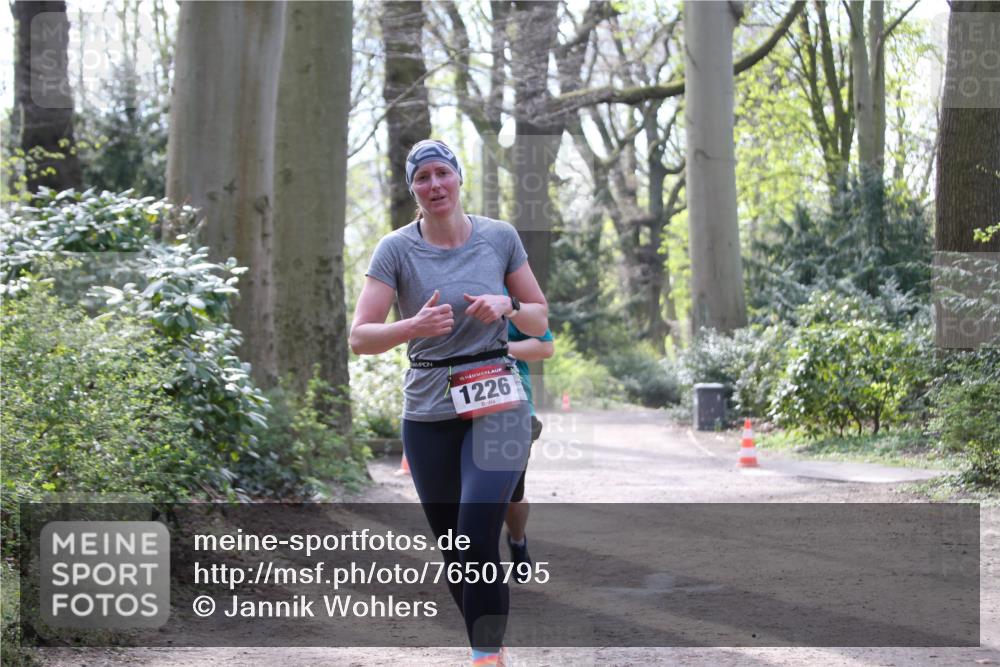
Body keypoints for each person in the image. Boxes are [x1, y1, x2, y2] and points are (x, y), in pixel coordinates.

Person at [349, 139, 548, 667]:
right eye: (422, 178)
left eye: (442, 173)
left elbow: (539, 319)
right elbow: (360, 336)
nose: (434, 185)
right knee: (457, 551)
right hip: (429, 410)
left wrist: (509, 304)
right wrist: (410, 327)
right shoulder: (395, 249)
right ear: (412, 189)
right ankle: (490, 645)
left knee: (475, 532)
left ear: (459, 178)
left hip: (499, 398)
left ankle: (485, 656)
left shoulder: (499, 237)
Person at [503, 308, 554, 583]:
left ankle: (517, 540)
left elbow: (545, 347)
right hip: (452, 408)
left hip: (514, 408)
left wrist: (500, 349)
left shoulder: (509, 299)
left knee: (512, 496)